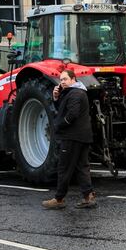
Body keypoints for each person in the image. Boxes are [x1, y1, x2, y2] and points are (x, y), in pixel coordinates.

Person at [42, 69, 96, 210]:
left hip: (72, 136)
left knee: (64, 167)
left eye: (65, 79)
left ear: (73, 79)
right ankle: (88, 197)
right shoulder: (76, 92)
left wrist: (59, 125)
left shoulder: (75, 93)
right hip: (82, 136)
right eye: (61, 80)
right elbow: (62, 109)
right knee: (82, 167)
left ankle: (59, 199)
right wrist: (56, 98)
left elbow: (72, 114)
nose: (62, 82)